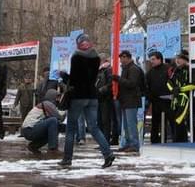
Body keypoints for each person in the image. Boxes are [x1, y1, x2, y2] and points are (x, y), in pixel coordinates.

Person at [58, 33, 115, 168]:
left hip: (78, 96)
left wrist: (64, 76)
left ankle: (67, 158)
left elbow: (76, 80)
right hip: (92, 96)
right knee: (94, 127)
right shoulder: (96, 57)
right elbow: (90, 78)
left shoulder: (76, 56)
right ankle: (108, 154)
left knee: (71, 128)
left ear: (78, 44)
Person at [22, 89, 64, 157]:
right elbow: (59, 117)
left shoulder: (46, 104)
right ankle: (52, 149)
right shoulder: (48, 104)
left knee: (53, 128)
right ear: (52, 97)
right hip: (29, 129)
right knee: (53, 121)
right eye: (57, 97)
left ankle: (33, 146)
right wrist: (66, 109)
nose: (58, 99)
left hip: (28, 130)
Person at [114, 50, 142, 153]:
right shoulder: (126, 68)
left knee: (131, 124)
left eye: (122, 58)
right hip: (125, 100)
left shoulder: (133, 69)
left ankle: (134, 144)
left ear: (127, 57)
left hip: (132, 100)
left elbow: (132, 83)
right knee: (126, 125)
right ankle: (128, 143)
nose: (121, 60)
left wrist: (118, 79)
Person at [146, 51, 171, 144]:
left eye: (153, 59)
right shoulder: (150, 72)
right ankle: (154, 140)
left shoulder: (168, 69)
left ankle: (165, 139)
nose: (151, 61)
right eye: (150, 60)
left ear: (159, 59)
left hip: (167, 100)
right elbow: (146, 85)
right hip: (155, 100)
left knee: (166, 121)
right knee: (155, 121)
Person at [96, 58, 117, 145]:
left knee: (105, 121)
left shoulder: (108, 70)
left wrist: (101, 90)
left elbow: (110, 84)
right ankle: (102, 141)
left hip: (106, 99)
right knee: (100, 121)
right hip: (99, 98)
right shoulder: (100, 71)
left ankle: (105, 140)